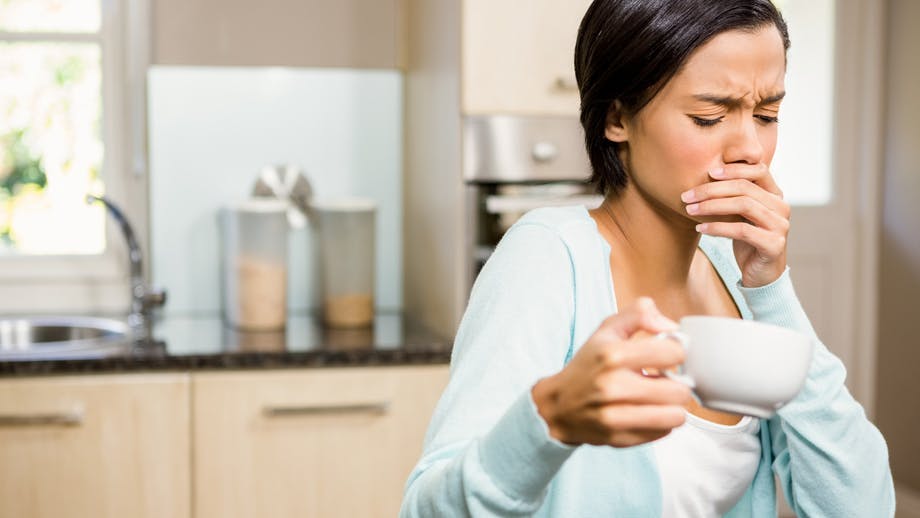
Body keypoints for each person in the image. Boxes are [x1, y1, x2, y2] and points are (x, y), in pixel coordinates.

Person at [400, 0, 895, 516]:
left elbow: (860, 505)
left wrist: (773, 292)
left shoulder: (735, 277)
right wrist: (549, 421)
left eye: (767, 114)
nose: (749, 147)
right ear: (618, 118)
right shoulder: (546, 257)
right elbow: (427, 507)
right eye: (709, 117)